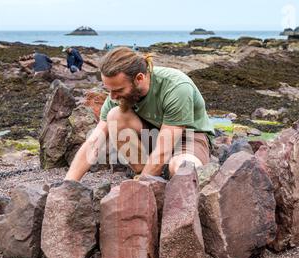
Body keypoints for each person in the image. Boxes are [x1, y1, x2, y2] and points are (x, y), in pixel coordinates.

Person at [65, 47, 215, 182]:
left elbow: (164, 148)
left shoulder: (176, 87)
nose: (112, 97)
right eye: (109, 90)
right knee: (114, 116)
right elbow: (93, 143)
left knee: (184, 167)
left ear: (139, 78)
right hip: (154, 135)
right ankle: (152, 174)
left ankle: (154, 178)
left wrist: (140, 189)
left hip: (188, 136)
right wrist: (68, 184)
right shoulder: (117, 96)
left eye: (118, 90)